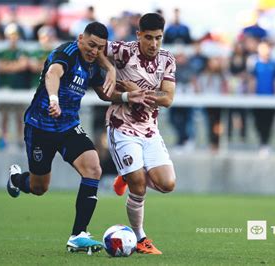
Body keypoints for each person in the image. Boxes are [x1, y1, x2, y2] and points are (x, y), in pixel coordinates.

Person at [6, 22, 116, 253]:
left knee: (93, 168)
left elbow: (105, 93)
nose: (94, 51)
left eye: (99, 48)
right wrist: (53, 99)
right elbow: (53, 73)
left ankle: (78, 235)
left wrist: (126, 95)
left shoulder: (94, 64)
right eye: (91, 45)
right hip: (39, 127)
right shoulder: (66, 53)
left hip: (68, 127)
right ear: (80, 39)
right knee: (39, 187)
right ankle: (17, 180)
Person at [102, 13, 177, 255]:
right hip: (121, 126)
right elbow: (92, 47)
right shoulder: (124, 51)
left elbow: (167, 99)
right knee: (139, 186)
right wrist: (110, 71)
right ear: (138, 36)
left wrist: (138, 90)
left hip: (149, 129)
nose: (154, 44)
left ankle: (128, 174)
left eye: (158, 38)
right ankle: (140, 237)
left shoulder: (167, 59)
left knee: (167, 184)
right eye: (148, 38)